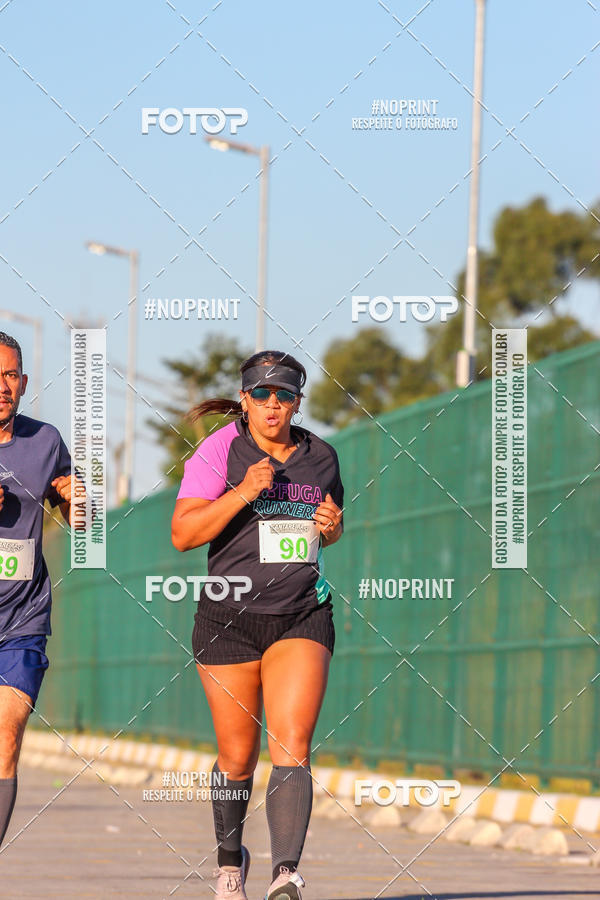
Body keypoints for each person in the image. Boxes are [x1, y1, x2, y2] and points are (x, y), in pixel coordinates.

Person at [171, 350, 344, 900]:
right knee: (238, 756)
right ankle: (230, 862)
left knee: (292, 742)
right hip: (228, 619)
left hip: (301, 614)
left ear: (299, 401)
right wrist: (243, 491)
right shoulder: (218, 451)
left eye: (285, 395)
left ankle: (285, 873)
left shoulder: (322, 458)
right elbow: (183, 534)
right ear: (244, 400)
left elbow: (329, 530)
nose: (274, 405)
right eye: (262, 395)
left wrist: (332, 527)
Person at [0, 332, 76, 850]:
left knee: (5, 739)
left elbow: (83, 529)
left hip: (20, 622)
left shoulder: (46, 441)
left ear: (23, 383)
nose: (1, 387)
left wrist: (78, 503)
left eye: (9, 375)